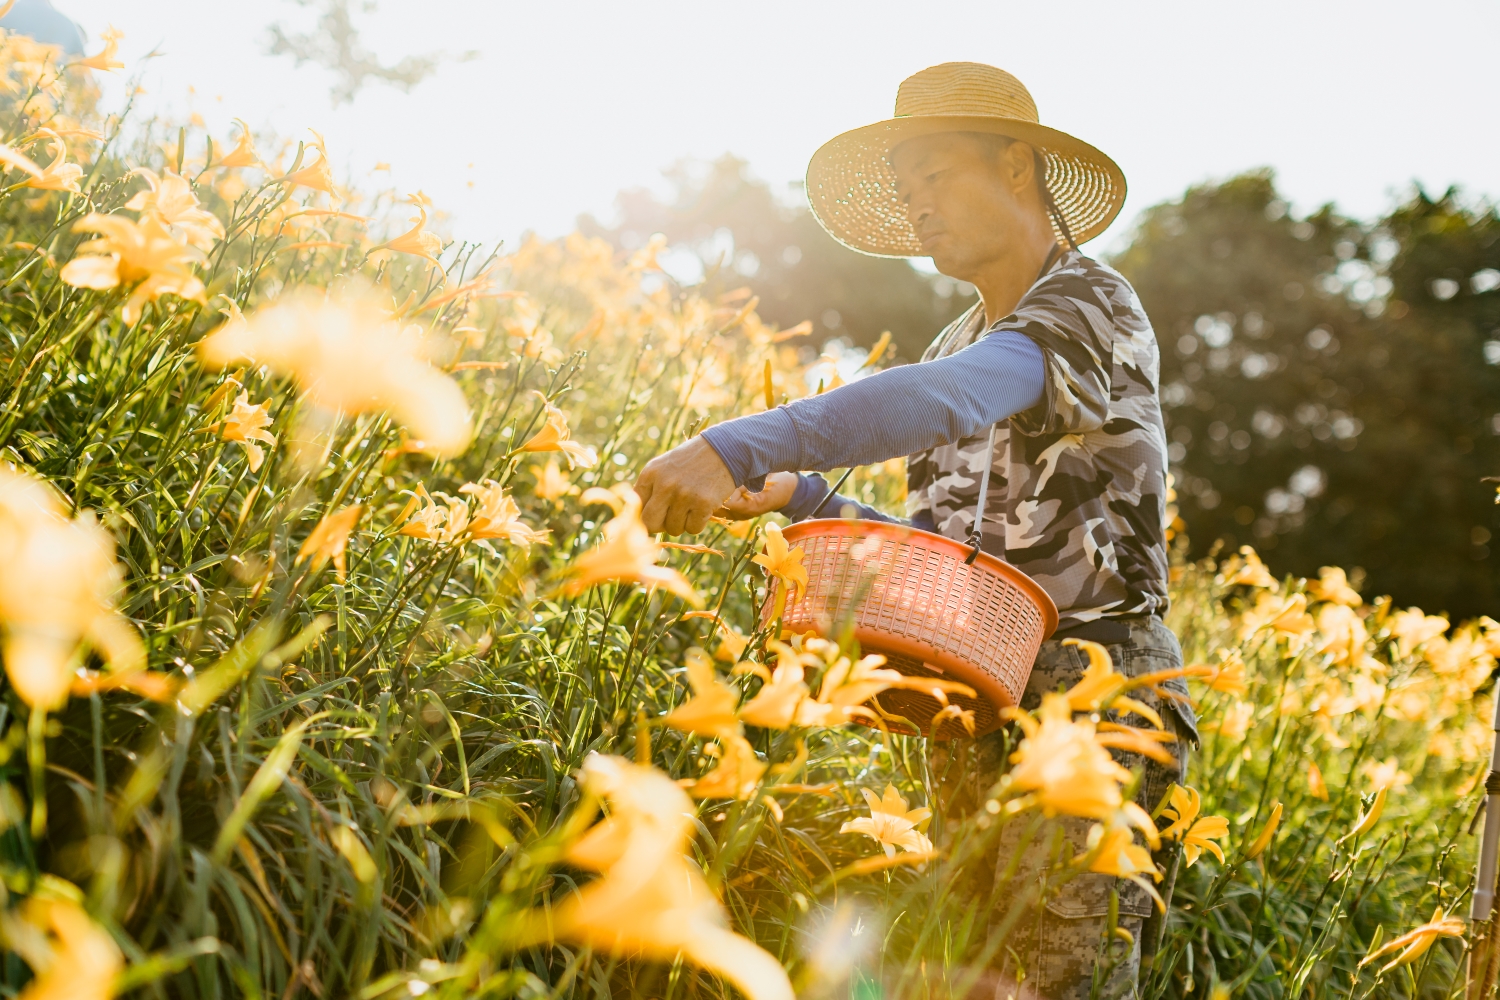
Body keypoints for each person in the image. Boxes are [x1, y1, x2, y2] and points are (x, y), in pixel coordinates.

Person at [634, 62, 1198, 999]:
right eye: (905, 191)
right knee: (978, 980)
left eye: (933, 177)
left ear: (1017, 166)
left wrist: (737, 443)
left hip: (1094, 706)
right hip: (973, 705)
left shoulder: (1087, 304)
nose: (917, 207)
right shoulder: (950, 345)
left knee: (1068, 983)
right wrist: (800, 498)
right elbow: (946, 560)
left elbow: (954, 401)